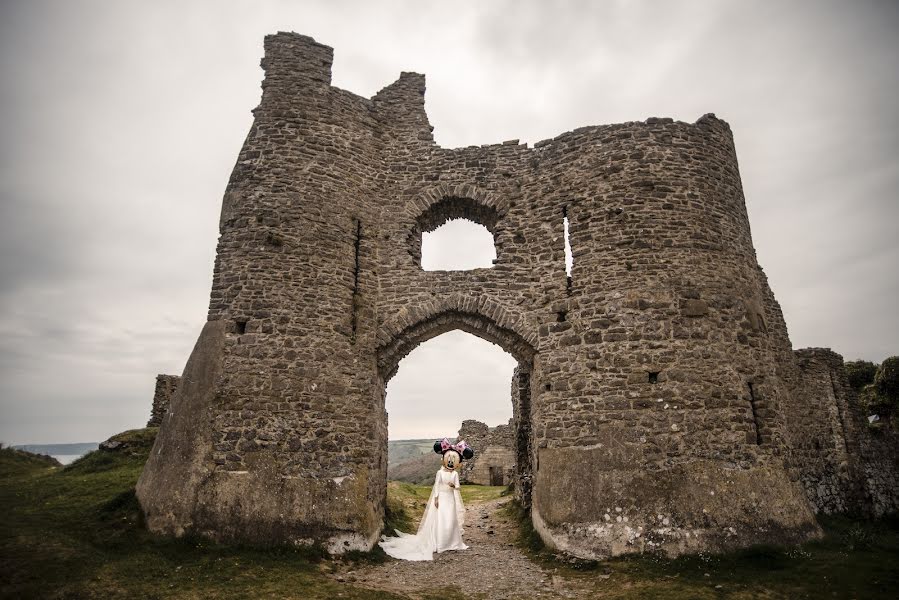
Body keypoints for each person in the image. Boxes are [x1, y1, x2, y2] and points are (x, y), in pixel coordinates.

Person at [378, 438, 474, 561]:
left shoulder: (455, 474)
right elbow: (436, 486)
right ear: (444, 459)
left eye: (453, 461)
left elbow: (458, 487)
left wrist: (453, 486)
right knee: (440, 518)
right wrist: (436, 498)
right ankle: (439, 542)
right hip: (442, 497)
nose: (450, 462)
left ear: (458, 463)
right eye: (448, 460)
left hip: (450, 498)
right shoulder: (440, 473)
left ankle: (451, 541)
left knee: (450, 518)